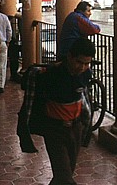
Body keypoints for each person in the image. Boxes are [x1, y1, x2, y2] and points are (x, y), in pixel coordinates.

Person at [37, 37, 96, 185]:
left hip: (76, 128)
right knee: (64, 176)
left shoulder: (86, 74)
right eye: (79, 62)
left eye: (87, 63)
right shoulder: (52, 74)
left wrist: (85, 126)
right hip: (54, 129)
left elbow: (85, 99)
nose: (82, 67)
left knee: (66, 171)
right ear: (70, 56)